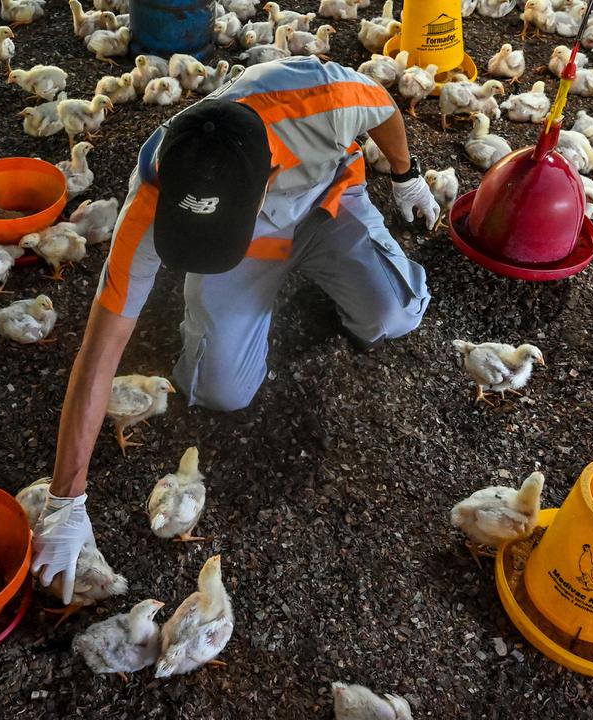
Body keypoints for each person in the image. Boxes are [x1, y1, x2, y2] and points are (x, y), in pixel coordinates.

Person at [31, 56, 438, 602]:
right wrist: (65, 501)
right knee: (221, 391)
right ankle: (235, 288)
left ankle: (334, 270)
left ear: (266, 178)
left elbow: (386, 110)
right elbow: (100, 351)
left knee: (397, 316)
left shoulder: (320, 99)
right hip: (248, 248)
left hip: (327, 202)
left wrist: (406, 177)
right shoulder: (150, 198)